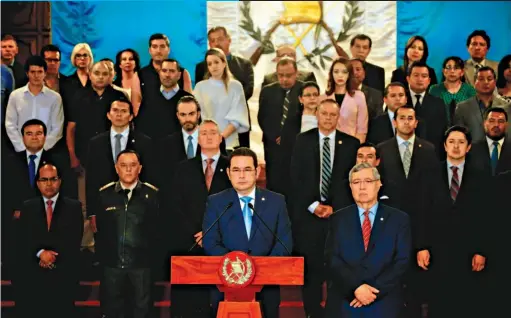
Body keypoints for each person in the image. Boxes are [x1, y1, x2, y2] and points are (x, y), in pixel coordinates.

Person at [203, 147, 292, 318]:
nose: (241, 175)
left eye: (247, 169)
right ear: (228, 173)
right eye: (236, 170)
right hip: (225, 286)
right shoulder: (216, 202)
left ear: (257, 171)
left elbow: (284, 242)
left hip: (266, 287)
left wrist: (260, 271)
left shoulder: (276, 201)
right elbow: (210, 242)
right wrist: (237, 269)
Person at [290, 99, 360, 318]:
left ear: (338, 117)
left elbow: (352, 182)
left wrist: (334, 208)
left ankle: (333, 312)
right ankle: (311, 312)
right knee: (311, 268)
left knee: (337, 267)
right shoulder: (302, 141)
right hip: (309, 216)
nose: (328, 118)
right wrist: (313, 206)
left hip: (339, 217)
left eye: (332, 114)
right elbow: (295, 178)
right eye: (324, 114)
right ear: (316, 115)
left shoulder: (351, 144)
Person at [325, 162, 411, 318]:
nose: (362, 187)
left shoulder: (399, 219)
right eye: (356, 182)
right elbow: (332, 258)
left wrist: (372, 291)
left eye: (368, 181)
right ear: (350, 186)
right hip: (347, 299)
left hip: (384, 299)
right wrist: (356, 288)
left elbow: (402, 261)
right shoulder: (337, 219)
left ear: (379, 184)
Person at [377, 105, 440, 317]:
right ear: (395, 122)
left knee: (415, 282)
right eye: (401, 118)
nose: (406, 121)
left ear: (416, 122)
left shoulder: (429, 149)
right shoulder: (382, 149)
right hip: (390, 223)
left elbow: (432, 188)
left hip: (419, 222)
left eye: (410, 118)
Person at [169, 119, 231, 318]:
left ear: (221, 137)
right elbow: (175, 205)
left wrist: (212, 233)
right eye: (203, 133)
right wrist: (195, 232)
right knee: (190, 303)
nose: (209, 136)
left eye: (213, 132)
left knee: (220, 300)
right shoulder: (184, 168)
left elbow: (236, 203)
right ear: (197, 139)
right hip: (190, 242)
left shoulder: (232, 166)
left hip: (225, 242)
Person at [426, 126, 489, 318]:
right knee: (438, 302)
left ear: (468, 147)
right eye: (451, 142)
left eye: (461, 142)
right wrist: (421, 246)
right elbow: (421, 212)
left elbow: (486, 217)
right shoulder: (429, 173)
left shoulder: (481, 176)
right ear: (444, 146)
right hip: (437, 249)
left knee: (466, 302)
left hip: (467, 250)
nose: (456, 146)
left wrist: (481, 250)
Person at [94, 149, 160, 318]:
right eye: (124, 166)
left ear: (140, 168)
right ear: (116, 168)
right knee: (113, 311)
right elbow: (99, 230)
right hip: (112, 266)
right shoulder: (104, 195)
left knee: (142, 311)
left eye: (133, 165)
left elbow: (158, 232)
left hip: (142, 267)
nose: (128, 170)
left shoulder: (152, 195)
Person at [16, 163, 83, 318]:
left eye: (53, 179)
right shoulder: (28, 207)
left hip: (64, 275)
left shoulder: (74, 207)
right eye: (44, 180)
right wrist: (40, 253)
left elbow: (74, 239)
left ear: (59, 181)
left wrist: (51, 257)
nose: (49, 184)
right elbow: (23, 239)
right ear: (38, 183)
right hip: (35, 276)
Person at [195, 26, 254, 147]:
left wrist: (228, 110)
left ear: (229, 39)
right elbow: (198, 103)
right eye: (212, 40)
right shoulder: (201, 68)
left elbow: (247, 90)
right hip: (209, 132)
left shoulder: (244, 65)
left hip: (236, 128)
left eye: (220, 39)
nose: (216, 43)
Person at [258, 57, 303, 193]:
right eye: (280, 75)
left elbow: (306, 118)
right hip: (273, 146)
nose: (284, 79)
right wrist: (275, 136)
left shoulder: (304, 90)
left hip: (297, 145)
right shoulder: (267, 91)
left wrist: (288, 137)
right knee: (274, 183)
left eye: (288, 75)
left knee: (296, 184)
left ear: (296, 73)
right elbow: (262, 117)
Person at [5, 55, 64, 152]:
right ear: (27, 73)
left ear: (45, 73)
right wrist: (22, 148)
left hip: (47, 151)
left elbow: (57, 128)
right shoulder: (15, 96)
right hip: (20, 151)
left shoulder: (55, 98)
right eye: (33, 72)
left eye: (40, 72)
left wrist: (43, 148)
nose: (36, 76)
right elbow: (10, 125)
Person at [135, 58, 192, 140]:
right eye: (164, 71)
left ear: (179, 75)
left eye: (172, 71)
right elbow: (141, 127)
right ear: (159, 73)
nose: (167, 75)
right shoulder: (148, 98)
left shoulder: (188, 100)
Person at [454, 66, 511, 142]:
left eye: (489, 79)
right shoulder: (462, 107)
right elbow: (458, 135)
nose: (486, 82)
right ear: (474, 82)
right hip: (472, 151)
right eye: (481, 79)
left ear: (495, 82)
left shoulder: (506, 106)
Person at [322, 57, 368, 142]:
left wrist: (354, 147)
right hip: (328, 145)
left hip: (351, 144)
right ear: (331, 74)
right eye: (336, 72)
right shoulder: (323, 98)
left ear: (349, 74)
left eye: (344, 72)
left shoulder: (359, 96)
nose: (340, 75)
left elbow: (362, 129)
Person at [428, 56, 476, 125]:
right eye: (448, 67)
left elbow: (473, 116)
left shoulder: (470, 90)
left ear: (462, 72)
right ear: (444, 71)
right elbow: (430, 114)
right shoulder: (434, 89)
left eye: (456, 68)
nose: (452, 71)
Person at [468, 107, 511, 176]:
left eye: (500, 121)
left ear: (506, 125)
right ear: (485, 124)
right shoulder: (472, 149)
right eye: (491, 121)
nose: (496, 125)